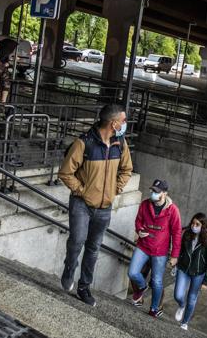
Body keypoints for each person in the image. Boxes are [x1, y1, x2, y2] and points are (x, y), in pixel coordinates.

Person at [58, 104, 133, 306]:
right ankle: (69, 269)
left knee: (94, 248)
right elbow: (65, 172)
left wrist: (115, 188)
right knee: (77, 241)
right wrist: (82, 191)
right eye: (123, 120)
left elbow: (127, 169)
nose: (125, 124)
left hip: (104, 207)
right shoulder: (84, 143)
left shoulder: (120, 143)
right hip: (82, 204)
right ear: (113, 123)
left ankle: (84, 287)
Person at [129, 179, 182, 318]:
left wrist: (175, 255)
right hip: (143, 246)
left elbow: (177, 233)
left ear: (165, 193)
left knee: (157, 281)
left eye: (156, 192)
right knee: (133, 272)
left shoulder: (173, 210)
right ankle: (142, 287)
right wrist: (139, 229)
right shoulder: (145, 204)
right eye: (152, 190)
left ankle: (154, 308)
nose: (153, 193)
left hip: (160, 252)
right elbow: (138, 220)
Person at [174, 213, 207, 331]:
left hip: (198, 273)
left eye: (197, 224)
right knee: (178, 295)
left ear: (203, 226)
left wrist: (206, 281)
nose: (194, 226)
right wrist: (176, 264)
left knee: (192, 298)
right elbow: (180, 251)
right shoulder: (187, 234)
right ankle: (181, 305)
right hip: (184, 268)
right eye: (193, 223)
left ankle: (184, 322)